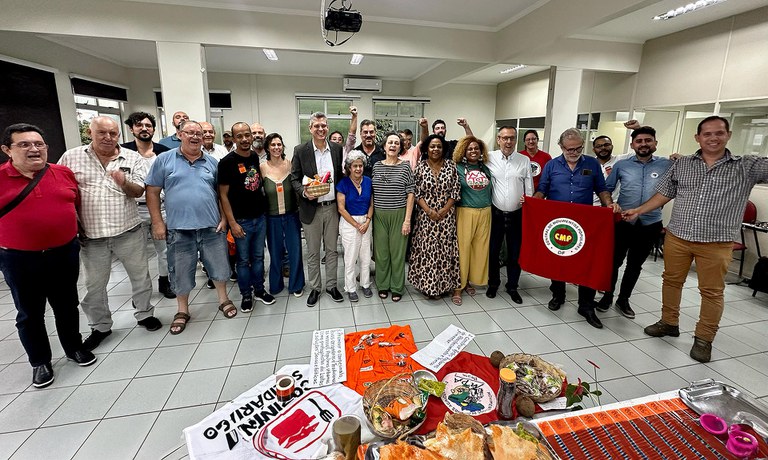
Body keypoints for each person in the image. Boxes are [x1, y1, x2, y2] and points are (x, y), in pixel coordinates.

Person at [623, 115, 768, 363]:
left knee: (711, 292)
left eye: (719, 133)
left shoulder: (746, 165)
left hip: (716, 242)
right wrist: (639, 210)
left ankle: (704, 339)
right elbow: (664, 194)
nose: (713, 138)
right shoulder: (683, 164)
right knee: (671, 281)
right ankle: (669, 322)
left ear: (728, 135)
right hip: (678, 236)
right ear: (697, 137)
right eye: (707, 134)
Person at [0, 123, 96, 388]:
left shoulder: (63, 173)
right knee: (30, 313)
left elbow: (75, 205)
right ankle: (40, 361)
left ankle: (74, 348)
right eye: (24, 144)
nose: (34, 149)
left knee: (67, 305)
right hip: (19, 259)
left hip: (64, 253)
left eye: (39, 144)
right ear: (7, 150)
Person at [58, 117, 160, 350]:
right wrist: (71, 221)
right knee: (94, 286)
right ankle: (100, 326)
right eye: (102, 132)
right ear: (90, 132)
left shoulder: (131, 157)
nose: (108, 137)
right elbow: (62, 192)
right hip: (91, 236)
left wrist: (123, 182)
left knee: (141, 278)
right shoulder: (71, 157)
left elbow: (138, 191)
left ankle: (145, 314)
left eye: (113, 133)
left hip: (128, 231)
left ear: (119, 134)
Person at [145, 120, 236, 334]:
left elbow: (221, 194)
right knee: (180, 271)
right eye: (190, 133)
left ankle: (223, 299)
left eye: (199, 134)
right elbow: (152, 192)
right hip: (179, 229)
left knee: (219, 267)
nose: (195, 137)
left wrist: (224, 219)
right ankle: (182, 310)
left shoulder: (212, 163)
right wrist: (157, 222)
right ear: (179, 135)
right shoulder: (164, 160)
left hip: (211, 227)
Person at [534, 128, 621, 329]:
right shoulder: (552, 165)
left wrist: (609, 204)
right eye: (569, 149)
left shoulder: (591, 164)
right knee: (558, 259)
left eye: (578, 148)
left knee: (586, 263)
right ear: (561, 147)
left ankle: (586, 305)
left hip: (584, 222)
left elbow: (601, 189)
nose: (574, 152)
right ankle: (558, 295)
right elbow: (542, 189)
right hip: (558, 222)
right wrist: (532, 203)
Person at [598, 126, 671, 319]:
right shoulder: (622, 165)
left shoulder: (667, 165)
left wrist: (680, 158)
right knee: (614, 262)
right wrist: (610, 203)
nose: (643, 144)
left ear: (655, 143)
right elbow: (607, 188)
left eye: (648, 140)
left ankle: (623, 300)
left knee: (635, 264)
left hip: (650, 224)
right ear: (632, 145)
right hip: (623, 222)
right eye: (639, 141)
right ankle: (607, 296)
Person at [218, 122, 275, 312]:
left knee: (258, 257)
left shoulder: (253, 157)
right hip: (241, 221)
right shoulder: (226, 162)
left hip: (259, 217)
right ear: (233, 139)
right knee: (243, 260)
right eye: (239, 136)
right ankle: (246, 295)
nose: (244, 139)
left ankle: (259, 290)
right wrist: (232, 223)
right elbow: (223, 196)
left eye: (247, 135)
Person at [290, 112, 344, 307]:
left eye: (324, 126)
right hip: (310, 208)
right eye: (317, 126)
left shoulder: (337, 149)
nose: (321, 129)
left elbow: (340, 177)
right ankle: (315, 287)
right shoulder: (300, 150)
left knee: (332, 250)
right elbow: (294, 179)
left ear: (327, 127)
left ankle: (331, 286)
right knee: (313, 252)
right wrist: (304, 193)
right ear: (310, 128)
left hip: (332, 208)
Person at [121, 112, 174, 299]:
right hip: (134, 208)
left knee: (165, 250)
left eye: (148, 125)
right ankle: (141, 290)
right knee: (136, 254)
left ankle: (165, 282)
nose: (144, 129)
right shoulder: (124, 152)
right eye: (139, 125)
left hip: (161, 207)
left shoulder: (164, 152)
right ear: (131, 129)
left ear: (153, 129)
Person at [409, 134, 461, 301]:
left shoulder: (451, 166)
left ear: (443, 148)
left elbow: (455, 190)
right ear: (427, 148)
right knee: (427, 251)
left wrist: (445, 209)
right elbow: (416, 192)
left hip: (447, 217)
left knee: (444, 251)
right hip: (426, 217)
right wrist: (429, 210)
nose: (435, 149)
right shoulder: (420, 167)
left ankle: (443, 286)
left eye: (439, 146)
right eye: (432, 146)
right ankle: (428, 286)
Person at [486, 126, 533, 303]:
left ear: (516, 140)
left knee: (515, 253)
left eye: (512, 138)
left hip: (517, 215)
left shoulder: (524, 160)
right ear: (498, 139)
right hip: (495, 213)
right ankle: (493, 283)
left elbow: (529, 186)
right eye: (505, 138)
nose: (508, 142)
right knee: (493, 251)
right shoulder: (489, 157)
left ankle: (512, 286)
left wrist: (528, 200)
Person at [371, 133, 415, 302]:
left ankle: (397, 287)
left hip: (399, 214)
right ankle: (382, 285)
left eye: (397, 143)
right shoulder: (376, 166)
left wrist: (407, 220)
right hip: (379, 215)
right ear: (384, 146)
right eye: (390, 142)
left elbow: (411, 193)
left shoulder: (405, 167)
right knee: (381, 253)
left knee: (397, 253)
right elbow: (372, 193)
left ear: (400, 147)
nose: (393, 145)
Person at [261, 132, 305, 297]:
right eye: (273, 145)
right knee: (275, 253)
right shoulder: (262, 167)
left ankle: (296, 285)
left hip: (291, 216)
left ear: (283, 146)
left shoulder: (290, 164)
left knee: (295, 251)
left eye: (279, 144)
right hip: (271, 218)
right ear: (267, 148)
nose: (276, 147)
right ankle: (276, 285)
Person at [452, 136, 494, 306]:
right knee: (462, 250)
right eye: (469, 149)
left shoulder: (486, 168)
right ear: (463, 151)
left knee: (479, 250)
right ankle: (457, 287)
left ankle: (469, 281)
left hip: (485, 212)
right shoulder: (457, 168)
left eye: (476, 148)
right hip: (465, 211)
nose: (473, 151)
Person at [336, 150, 374, 301]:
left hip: (366, 221)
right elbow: (341, 209)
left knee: (366, 257)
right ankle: (351, 288)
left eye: (360, 165)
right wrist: (357, 225)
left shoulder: (368, 181)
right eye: (355, 166)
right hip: (349, 223)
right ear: (349, 168)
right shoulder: (343, 183)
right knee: (350, 258)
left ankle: (365, 284)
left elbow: (371, 204)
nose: (358, 169)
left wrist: (367, 221)